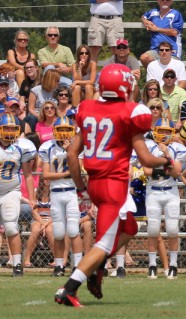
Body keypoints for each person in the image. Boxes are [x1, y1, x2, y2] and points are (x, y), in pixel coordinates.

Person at [55, 64, 172, 307]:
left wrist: (80, 189)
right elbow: (146, 159)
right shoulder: (130, 112)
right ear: (126, 86)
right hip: (114, 185)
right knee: (105, 243)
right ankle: (69, 287)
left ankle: (95, 268)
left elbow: (71, 155)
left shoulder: (87, 108)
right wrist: (168, 162)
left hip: (95, 183)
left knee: (129, 227)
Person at [39, 116, 83, 276]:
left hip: (72, 192)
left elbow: (80, 171)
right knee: (58, 231)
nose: (64, 133)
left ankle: (77, 266)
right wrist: (65, 173)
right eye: (61, 129)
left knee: (73, 230)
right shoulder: (47, 147)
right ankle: (59, 266)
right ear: (55, 131)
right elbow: (45, 175)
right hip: (56, 193)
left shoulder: (76, 146)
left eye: (67, 129)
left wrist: (69, 151)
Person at [143, 118, 186, 279]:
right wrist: (165, 172)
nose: (163, 134)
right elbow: (147, 171)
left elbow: (177, 172)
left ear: (172, 132)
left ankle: (173, 265)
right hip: (153, 190)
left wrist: (168, 155)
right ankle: (152, 265)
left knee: (173, 229)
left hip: (171, 191)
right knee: (153, 229)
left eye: (166, 131)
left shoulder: (177, 148)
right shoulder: (148, 146)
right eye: (160, 131)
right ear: (155, 131)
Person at [0, 113, 37, 276]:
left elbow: (28, 174)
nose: (9, 131)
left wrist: (32, 197)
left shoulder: (22, 146)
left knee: (10, 226)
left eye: (13, 128)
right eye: (6, 128)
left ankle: (17, 265)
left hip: (10, 191)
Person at [140, 0, 184, 67]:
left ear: (171, 1)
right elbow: (143, 17)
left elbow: (174, 32)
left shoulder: (175, 14)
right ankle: (153, 75)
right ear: (158, 1)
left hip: (172, 51)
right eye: (162, 0)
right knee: (144, 58)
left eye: (168, 0)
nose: (165, 1)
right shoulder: (153, 12)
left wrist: (156, 29)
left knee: (169, 71)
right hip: (156, 50)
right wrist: (146, 22)